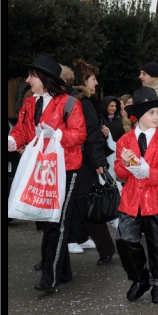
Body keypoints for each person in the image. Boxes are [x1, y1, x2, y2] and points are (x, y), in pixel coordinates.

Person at [8, 55, 87, 293]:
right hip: (41, 170)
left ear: (44, 78)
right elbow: (23, 131)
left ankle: (49, 276)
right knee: (49, 220)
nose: (27, 79)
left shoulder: (70, 103)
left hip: (66, 169)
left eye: (32, 75)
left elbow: (80, 134)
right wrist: (11, 140)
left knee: (57, 222)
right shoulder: (30, 102)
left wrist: (58, 136)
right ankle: (63, 272)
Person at [114, 86, 158, 304]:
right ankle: (141, 278)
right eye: (151, 112)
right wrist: (125, 164)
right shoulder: (124, 140)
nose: (156, 117)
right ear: (139, 115)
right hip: (132, 199)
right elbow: (118, 171)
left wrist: (149, 172)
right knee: (125, 239)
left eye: (157, 112)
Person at [64, 65, 117, 265]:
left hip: (82, 161)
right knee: (81, 204)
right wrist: (98, 161)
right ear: (84, 80)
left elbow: (92, 133)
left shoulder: (80, 101)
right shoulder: (82, 102)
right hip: (83, 161)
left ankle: (104, 248)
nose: (96, 82)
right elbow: (93, 134)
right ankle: (101, 246)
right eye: (93, 78)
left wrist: (98, 162)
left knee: (84, 204)